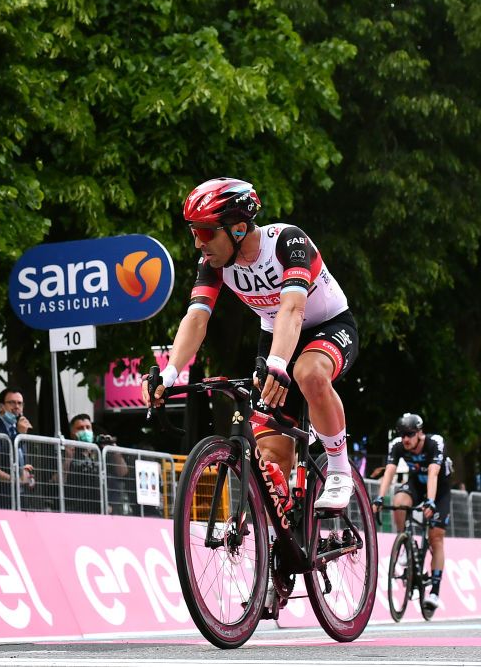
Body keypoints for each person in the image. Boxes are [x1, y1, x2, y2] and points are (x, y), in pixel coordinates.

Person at [145, 178, 358, 510]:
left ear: (239, 228)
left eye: (204, 232)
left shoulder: (288, 242)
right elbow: (196, 320)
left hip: (327, 325)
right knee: (269, 457)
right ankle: (279, 535)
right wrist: (170, 372)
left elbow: (293, 308)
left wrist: (277, 364)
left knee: (308, 372)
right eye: (193, 232)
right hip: (275, 336)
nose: (198, 244)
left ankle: (340, 470)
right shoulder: (213, 265)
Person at [371, 413, 451, 611]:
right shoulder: (398, 445)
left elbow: (433, 473)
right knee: (399, 501)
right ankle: (405, 541)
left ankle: (434, 592)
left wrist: (431, 502)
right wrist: (380, 498)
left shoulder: (435, 443)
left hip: (439, 490)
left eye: (410, 434)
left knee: (436, 538)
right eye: (402, 434)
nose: (405, 438)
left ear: (420, 433)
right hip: (416, 485)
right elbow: (389, 471)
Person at [0, 388, 34, 509]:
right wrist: (18, 435)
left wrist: (25, 471)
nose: (16, 406)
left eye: (20, 403)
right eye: (12, 402)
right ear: (1, 406)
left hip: (20, 495)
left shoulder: (20, 429)